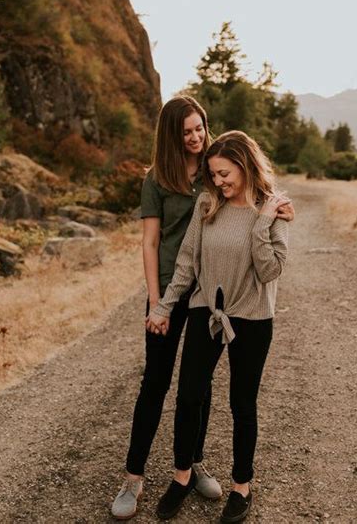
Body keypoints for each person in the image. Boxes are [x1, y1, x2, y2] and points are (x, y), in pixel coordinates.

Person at [111, 98, 294, 520]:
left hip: (231, 306)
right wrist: (158, 303)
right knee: (162, 384)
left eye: (200, 129)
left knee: (220, 394)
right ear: (171, 138)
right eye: (187, 133)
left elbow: (268, 257)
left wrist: (271, 218)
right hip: (181, 294)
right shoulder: (168, 182)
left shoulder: (225, 178)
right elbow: (161, 247)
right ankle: (136, 477)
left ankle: (205, 472)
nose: (196, 139)